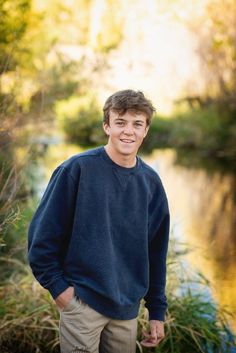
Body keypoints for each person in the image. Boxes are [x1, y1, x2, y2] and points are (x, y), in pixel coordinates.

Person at [28, 89, 170, 353]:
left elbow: (156, 252)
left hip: (126, 311)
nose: (129, 131)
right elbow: (41, 240)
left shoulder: (151, 183)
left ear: (146, 130)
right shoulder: (77, 170)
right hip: (82, 305)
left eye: (137, 124)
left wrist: (156, 311)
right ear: (107, 126)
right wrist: (61, 292)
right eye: (120, 122)